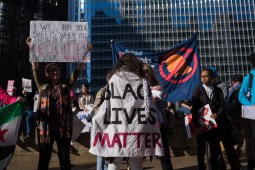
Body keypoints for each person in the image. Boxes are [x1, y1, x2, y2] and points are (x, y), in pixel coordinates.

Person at [27, 37, 93, 170]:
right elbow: (35, 68)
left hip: (64, 128)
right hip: (45, 128)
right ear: (47, 74)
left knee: (64, 159)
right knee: (44, 158)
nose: (55, 72)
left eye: (57, 70)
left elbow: (77, 71)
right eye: (52, 70)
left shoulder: (65, 86)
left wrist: (87, 52)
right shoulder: (42, 86)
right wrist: (31, 47)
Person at [191, 68, 224, 170]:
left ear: (211, 77)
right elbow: (194, 109)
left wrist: (218, 114)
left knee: (215, 150)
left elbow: (222, 106)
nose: (204, 78)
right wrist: (196, 126)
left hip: (214, 126)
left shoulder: (218, 90)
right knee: (201, 150)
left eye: (206, 76)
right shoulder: (198, 89)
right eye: (202, 77)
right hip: (201, 126)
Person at [208, 67, 241, 170]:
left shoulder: (221, 86)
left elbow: (222, 102)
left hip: (221, 119)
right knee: (216, 147)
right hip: (213, 120)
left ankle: (234, 166)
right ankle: (221, 166)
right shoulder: (208, 87)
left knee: (227, 146)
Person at [143, 64, 174, 170]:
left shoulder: (157, 86)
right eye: (144, 72)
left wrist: (162, 98)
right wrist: (151, 94)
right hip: (142, 125)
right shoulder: (135, 87)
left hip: (158, 124)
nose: (146, 75)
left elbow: (160, 107)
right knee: (138, 156)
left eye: (148, 72)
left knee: (164, 155)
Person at [239, 52, 255, 170]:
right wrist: (251, 105)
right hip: (253, 114)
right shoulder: (249, 77)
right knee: (252, 139)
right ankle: (252, 162)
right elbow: (241, 95)